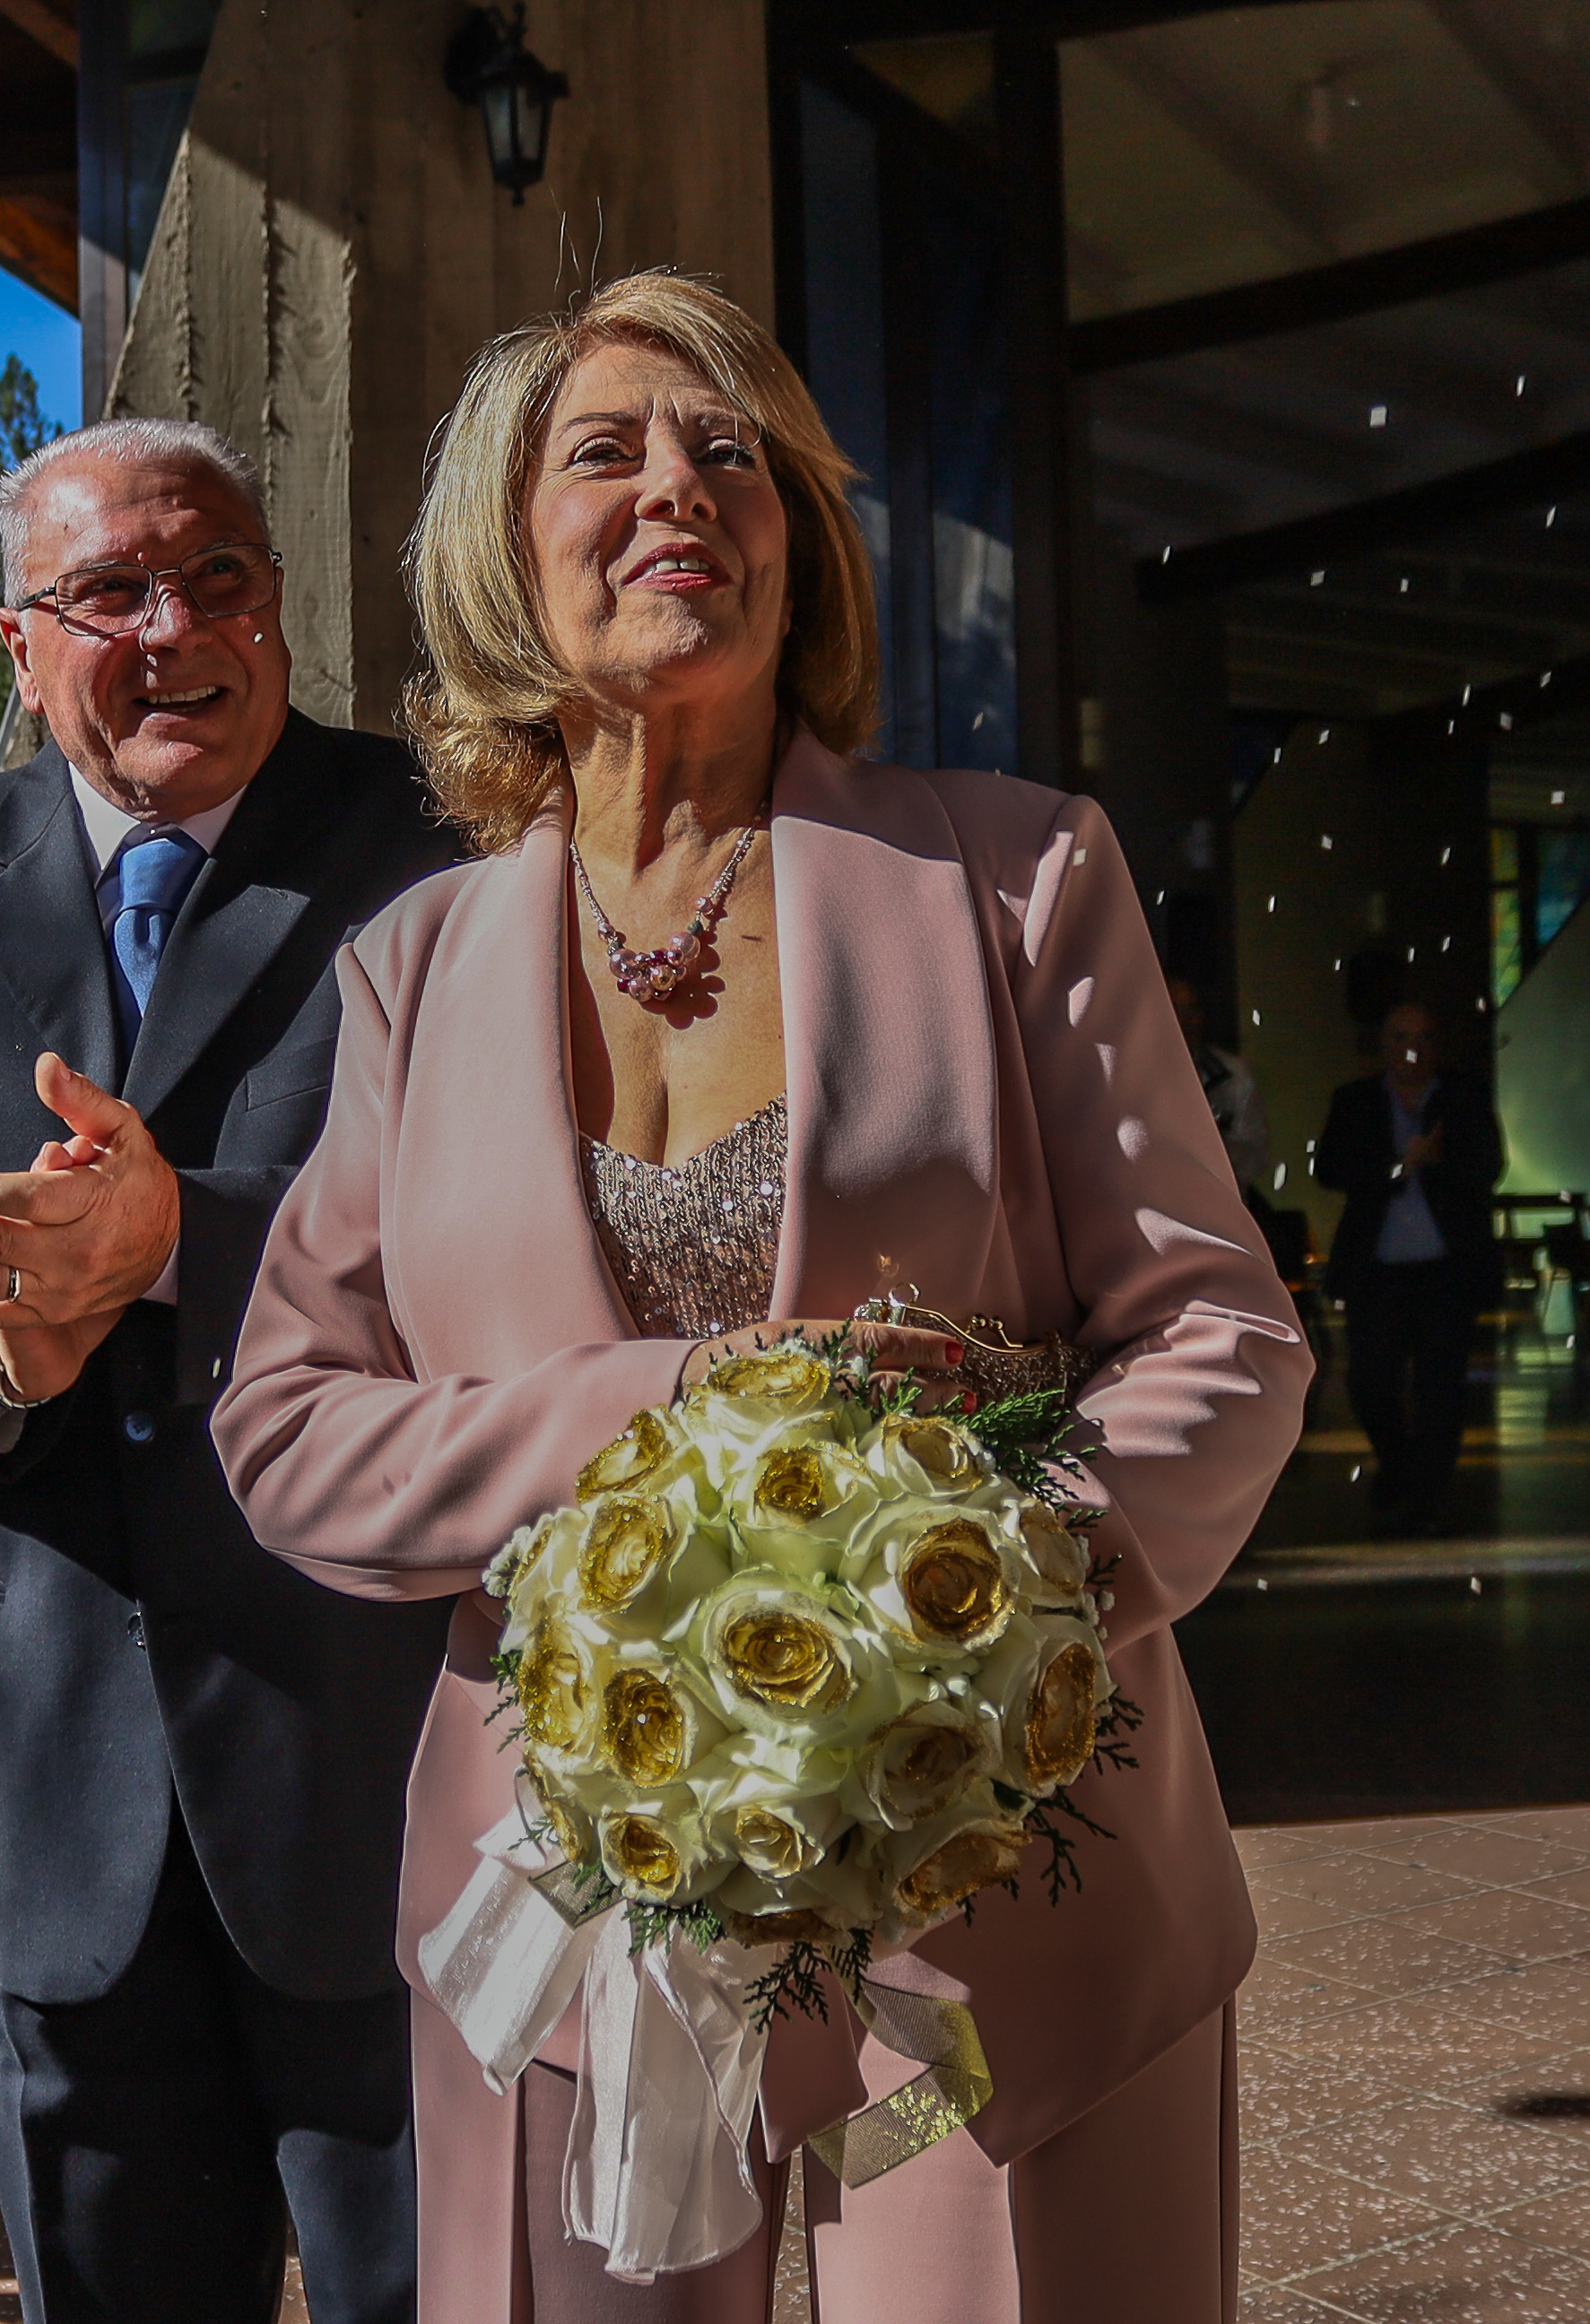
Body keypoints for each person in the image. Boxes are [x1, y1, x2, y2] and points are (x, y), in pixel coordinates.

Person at [211, 272, 1310, 2321]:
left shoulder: (1016, 882)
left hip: (996, 1914)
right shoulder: (411, 969)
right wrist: (670, 1410)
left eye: (732, 453)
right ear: (498, 547)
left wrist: (964, 1598)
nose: (673, 489)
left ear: (800, 542)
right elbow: (283, 1424)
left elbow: (1219, 1333)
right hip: (579, 1926)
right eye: (604, 450)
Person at [0, 415, 459, 2324]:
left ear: (280, 611)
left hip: (389, 1769)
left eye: (218, 578)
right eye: (107, 592)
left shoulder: (448, 847)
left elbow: (523, 1227)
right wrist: (5, 1358)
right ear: (16, 645)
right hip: (54, 1796)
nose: (172, 627)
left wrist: (177, 1249)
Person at [1314, 1000, 1502, 1535]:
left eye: (1422, 1038)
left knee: (1442, 1387)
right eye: (1400, 1038)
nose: (1411, 1049)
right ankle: (1400, 1465)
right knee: (1371, 1383)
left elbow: (1490, 1164)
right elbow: (1331, 1169)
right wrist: (1399, 1167)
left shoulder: (1463, 1095)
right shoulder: (1355, 1102)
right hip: (1378, 1271)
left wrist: (1437, 1163)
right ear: (1384, 1045)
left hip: (1447, 1269)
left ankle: (1427, 1492)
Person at [1169, 973, 1270, 1199]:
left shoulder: (1231, 1074)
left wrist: (1211, 1145)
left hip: (1220, 1209)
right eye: (1175, 1010)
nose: (1184, 1021)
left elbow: (1256, 1155)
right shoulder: (1131, 1075)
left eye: (1191, 1010)